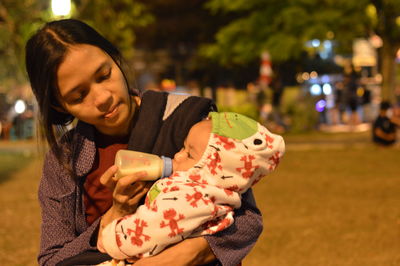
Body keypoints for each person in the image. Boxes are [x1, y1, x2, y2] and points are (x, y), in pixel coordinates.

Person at [25, 19, 263, 266]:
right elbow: (52, 259)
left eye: (104, 75)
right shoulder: (64, 160)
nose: (103, 97)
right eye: (79, 95)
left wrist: (180, 257)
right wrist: (114, 216)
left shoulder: (185, 119)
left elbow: (247, 219)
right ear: (58, 104)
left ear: (115, 59)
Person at [98, 112, 285, 263]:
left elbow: (153, 227)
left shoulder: (193, 198)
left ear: (215, 171)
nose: (177, 156)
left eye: (189, 154)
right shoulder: (205, 190)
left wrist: (112, 239)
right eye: (182, 147)